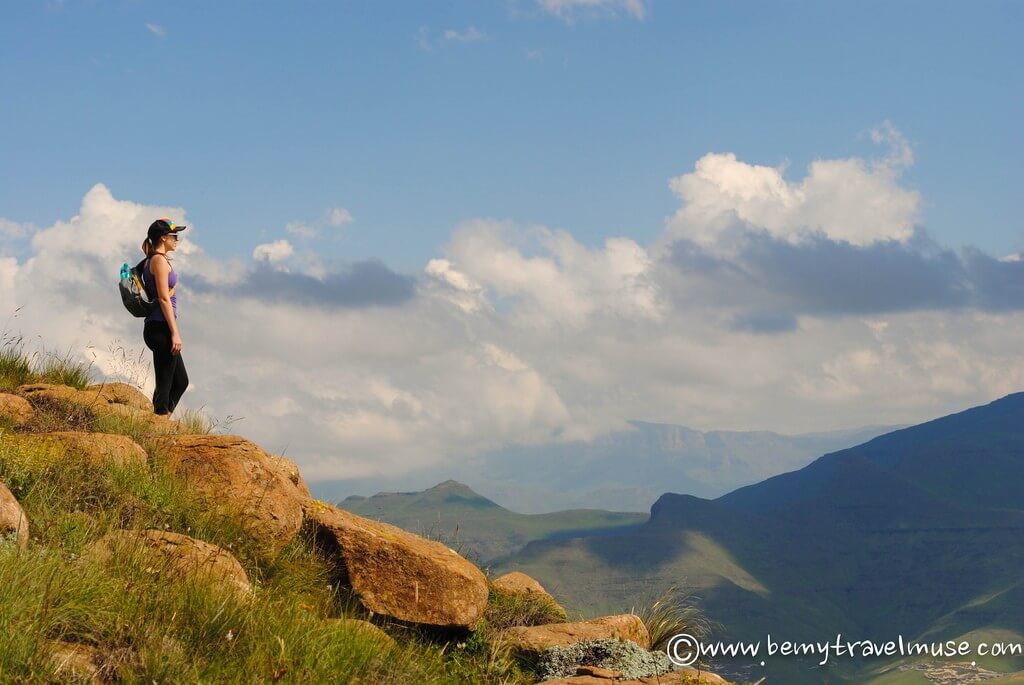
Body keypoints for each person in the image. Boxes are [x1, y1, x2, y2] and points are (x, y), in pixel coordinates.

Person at [140, 218, 189, 416]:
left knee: (180, 382)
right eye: (174, 235)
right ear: (163, 237)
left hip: (160, 327)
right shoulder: (158, 261)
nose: (176, 239)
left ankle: (160, 420)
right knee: (165, 384)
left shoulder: (156, 260)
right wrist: (175, 333)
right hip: (160, 328)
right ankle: (157, 422)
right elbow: (163, 298)